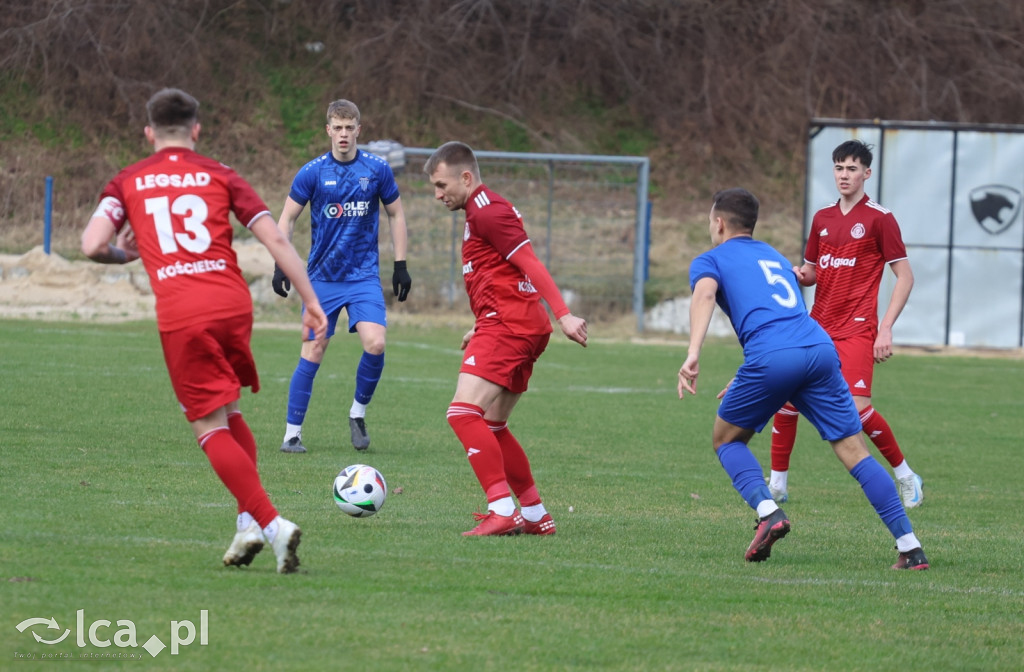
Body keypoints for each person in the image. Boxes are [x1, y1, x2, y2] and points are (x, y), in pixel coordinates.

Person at [81, 87, 328, 573]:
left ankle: (273, 525)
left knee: (206, 424)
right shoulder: (222, 174)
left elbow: (91, 245)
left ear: (149, 132)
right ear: (197, 130)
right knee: (229, 408)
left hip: (184, 309)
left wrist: (123, 253)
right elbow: (275, 236)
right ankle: (247, 525)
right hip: (232, 302)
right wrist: (312, 301)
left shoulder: (127, 181)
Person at [678, 187, 928, 569]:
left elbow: (705, 296)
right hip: (818, 348)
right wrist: (751, 374)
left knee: (727, 441)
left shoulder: (709, 260)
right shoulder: (775, 257)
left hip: (773, 357)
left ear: (719, 223)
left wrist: (693, 353)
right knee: (854, 451)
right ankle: (910, 547)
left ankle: (768, 512)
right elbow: (780, 320)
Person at [424, 141, 589, 536]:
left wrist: (564, 314)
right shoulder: (480, 210)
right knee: (494, 424)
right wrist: (481, 322)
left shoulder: (489, 212)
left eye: (442, 185)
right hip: (513, 323)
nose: (437, 194)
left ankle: (502, 510)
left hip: (511, 326)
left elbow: (529, 261)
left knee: (462, 414)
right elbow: (501, 274)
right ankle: (534, 515)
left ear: (466, 177)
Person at [767, 140, 923, 508]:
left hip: (856, 327)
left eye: (852, 169)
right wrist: (797, 275)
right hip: (816, 326)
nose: (844, 175)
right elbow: (812, 272)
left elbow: (905, 276)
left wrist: (885, 328)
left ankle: (905, 475)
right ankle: (777, 485)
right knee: (786, 400)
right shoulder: (822, 218)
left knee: (855, 410)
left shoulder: (879, 218)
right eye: (839, 167)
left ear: (866, 173)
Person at [272, 99, 411, 454]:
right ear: (328, 130)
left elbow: (396, 214)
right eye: (338, 127)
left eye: (350, 128)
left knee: (376, 343)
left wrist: (400, 264)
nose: (344, 134)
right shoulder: (312, 172)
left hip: (363, 276)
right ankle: (292, 434)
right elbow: (287, 218)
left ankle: (357, 413)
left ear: (359, 130)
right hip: (321, 278)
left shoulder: (377, 170)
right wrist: (280, 263)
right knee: (313, 350)